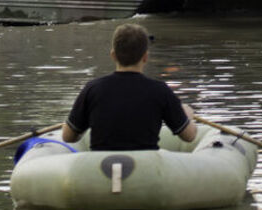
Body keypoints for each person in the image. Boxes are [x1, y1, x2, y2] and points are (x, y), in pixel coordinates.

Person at [62, 23, 197, 151]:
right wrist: (187, 116)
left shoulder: (92, 89)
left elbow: (68, 137)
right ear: (145, 57)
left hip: (100, 171)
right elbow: (189, 136)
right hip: (145, 170)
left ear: (113, 55)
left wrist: (83, 122)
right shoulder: (160, 91)